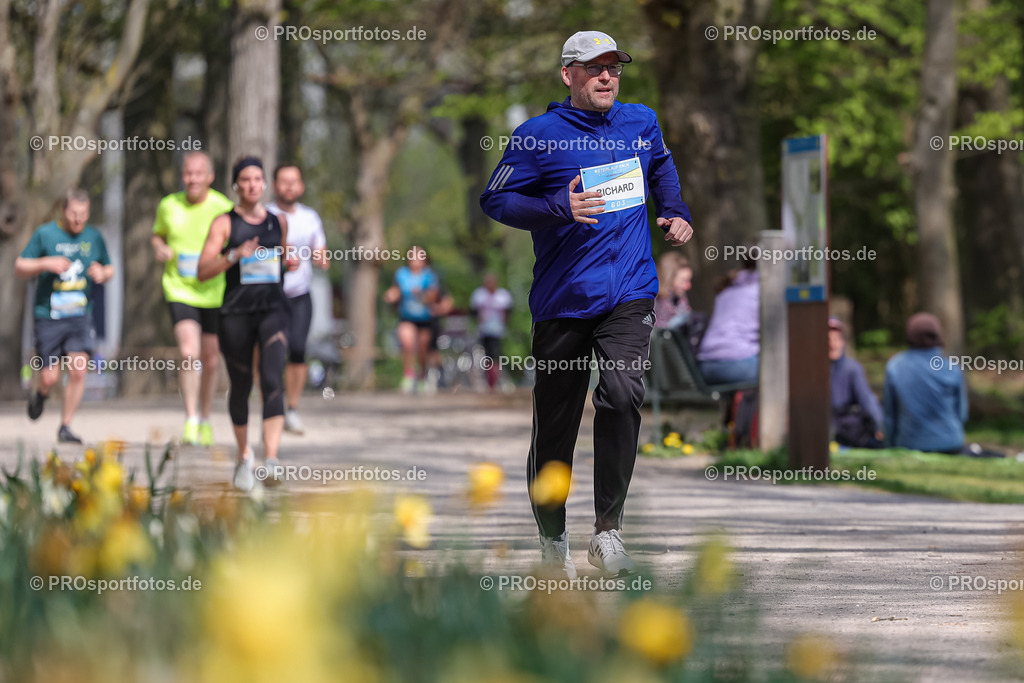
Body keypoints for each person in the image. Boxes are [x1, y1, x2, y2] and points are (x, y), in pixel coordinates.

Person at [480, 31, 693, 578]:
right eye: (594, 68)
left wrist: (673, 208)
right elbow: (496, 198)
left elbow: (661, 165)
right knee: (556, 423)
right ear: (567, 75)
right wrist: (558, 204)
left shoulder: (641, 122)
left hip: (630, 290)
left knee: (621, 395)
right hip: (563, 298)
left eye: (614, 69)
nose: (606, 77)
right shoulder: (537, 136)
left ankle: (608, 533)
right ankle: (554, 543)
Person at [197, 156, 294, 491]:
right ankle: (243, 457)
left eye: (258, 179)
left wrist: (289, 262)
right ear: (236, 186)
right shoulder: (224, 223)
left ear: (264, 184)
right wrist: (235, 255)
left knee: (271, 377)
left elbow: (281, 258)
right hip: (236, 313)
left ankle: (272, 459)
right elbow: (202, 270)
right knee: (240, 386)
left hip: (273, 309)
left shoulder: (278, 221)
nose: (252, 185)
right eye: (245, 180)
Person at [17, 189, 114, 443]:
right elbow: (20, 266)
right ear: (64, 211)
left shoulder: (93, 237)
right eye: (73, 214)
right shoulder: (45, 234)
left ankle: (65, 426)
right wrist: (44, 264)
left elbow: (109, 266)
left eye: (83, 215)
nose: (78, 220)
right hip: (48, 316)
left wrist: (103, 273)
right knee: (49, 376)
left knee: (79, 370)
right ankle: (41, 393)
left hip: (80, 316)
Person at [152, 151, 234, 446]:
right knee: (189, 353)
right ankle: (190, 418)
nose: (193, 179)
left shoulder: (223, 207)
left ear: (210, 176)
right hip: (180, 288)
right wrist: (159, 248)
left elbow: (234, 246)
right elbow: (157, 235)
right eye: (188, 173)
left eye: (199, 173)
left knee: (211, 360)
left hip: (214, 291)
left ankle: (207, 417)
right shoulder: (168, 205)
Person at [266, 163, 329, 435]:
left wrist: (321, 258)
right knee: (272, 355)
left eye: (294, 181)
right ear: (275, 185)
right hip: (270, 294)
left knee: (299, 349)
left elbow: (322, 253)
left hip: (300, 295)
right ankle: (273, 406)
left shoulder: (310, 217)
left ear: (301, 186)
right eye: (284, 181)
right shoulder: (265, 215)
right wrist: (278, 255)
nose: (289, 186)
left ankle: (291, 409)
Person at [883, 313, 967, 453]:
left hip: (910, 444)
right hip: (951, 443)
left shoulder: (895, 366)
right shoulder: (952, 367)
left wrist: (889, 446)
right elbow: (962, 413)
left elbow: (890, 415)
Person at [696, 255, 759, 386]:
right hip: (737, 365)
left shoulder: (727, 291)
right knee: (784, 368)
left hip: (706, 367)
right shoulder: (761, 291)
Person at [383, 247, 438, 394]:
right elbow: (397, 290)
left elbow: (433, 296)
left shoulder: (429, 275)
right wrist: (391, 295)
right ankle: (408, 375)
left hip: (424, 317)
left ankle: (422, 376)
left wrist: (422, 295)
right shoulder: (402, 274)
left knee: (422, 349)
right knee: (407, 344)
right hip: (406, 316)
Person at [829, 317, 884, 448]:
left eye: (836, 339)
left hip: (846, 431)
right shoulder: (813, 370)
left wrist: (879, 425)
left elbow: (867, 399)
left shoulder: (852, 369)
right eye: (828, 340)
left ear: (842, 342)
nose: (832, 345)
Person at [470, 273, 514, 390]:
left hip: (498, 331)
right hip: (483, 330)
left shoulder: (503, 295)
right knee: (485, 355)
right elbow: (473, 312)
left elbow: (508, 312)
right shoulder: (479, 295)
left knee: (495, 355)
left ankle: (493, 380)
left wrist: (504, 323)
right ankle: (487, 379)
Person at [653, 253, 692, 330]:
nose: (688, 286)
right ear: (668, 279)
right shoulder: (654, 303)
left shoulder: (679, 298)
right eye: (683, 281)